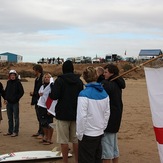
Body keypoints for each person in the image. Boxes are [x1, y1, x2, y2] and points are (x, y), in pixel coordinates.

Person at [49, 60, 83, 163]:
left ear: (63, 69)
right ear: (72, 69)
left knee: (63, 140)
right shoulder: (79, 81)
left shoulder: (60, 81)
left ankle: (65, 161)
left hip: (63, 114)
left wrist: (52, 88)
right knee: (75, 140)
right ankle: (77, 160)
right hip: (75, 113)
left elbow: (54, 96)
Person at [76, 66, 110, 163]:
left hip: (87, 134)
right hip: (98, 132)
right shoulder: (104, 93)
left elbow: (81, 117)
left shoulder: (83, 94)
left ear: (85, 78)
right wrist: (102, 128)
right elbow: (107, 113)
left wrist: (79, 134)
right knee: (97, 159)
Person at [101, 64, 126, 163]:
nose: (104, 74)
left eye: (106, 72)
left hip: (109, 119)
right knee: (114, 146)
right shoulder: (116, 83)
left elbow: (101, 86)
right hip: (116, 118)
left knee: (106, 149)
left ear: (112, 73)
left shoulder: (109, 84)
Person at [4, 70, 24, 137]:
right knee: (10, 118)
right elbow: (6, 91)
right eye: (11, 75)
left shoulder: (18, 83)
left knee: (16, 117)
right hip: (8, 103)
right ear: (9, 76)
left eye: (14, 75)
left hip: (15, 103)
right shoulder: (8, 82)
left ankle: (15, 131)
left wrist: (16, 98)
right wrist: (5, 99)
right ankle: (10, 131)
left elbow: (21, 92)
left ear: (16, 76)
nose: (12, 76)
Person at [37, 73, 54, 145]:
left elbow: (53, 98)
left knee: (49, 123)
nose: (46, 78)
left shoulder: (52, 86)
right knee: (43, 123)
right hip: (41, 106)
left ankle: (49, 139)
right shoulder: (42, 86)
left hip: (49, 107)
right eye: (45, 77)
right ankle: (45, 137)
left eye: (48, 77)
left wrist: (50, 109)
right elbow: (40, 93)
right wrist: (39, 94)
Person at [30, 64, 44, 139]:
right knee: (38, 117)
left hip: (41, 101)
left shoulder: (42, 79)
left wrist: (34, 93)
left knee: (42, 117)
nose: (33, 72)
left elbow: (42, 91)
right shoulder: (37, 79)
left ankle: (42, 132)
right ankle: (39, 131)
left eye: (34, 70)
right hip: (37, 100)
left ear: (37, 70)